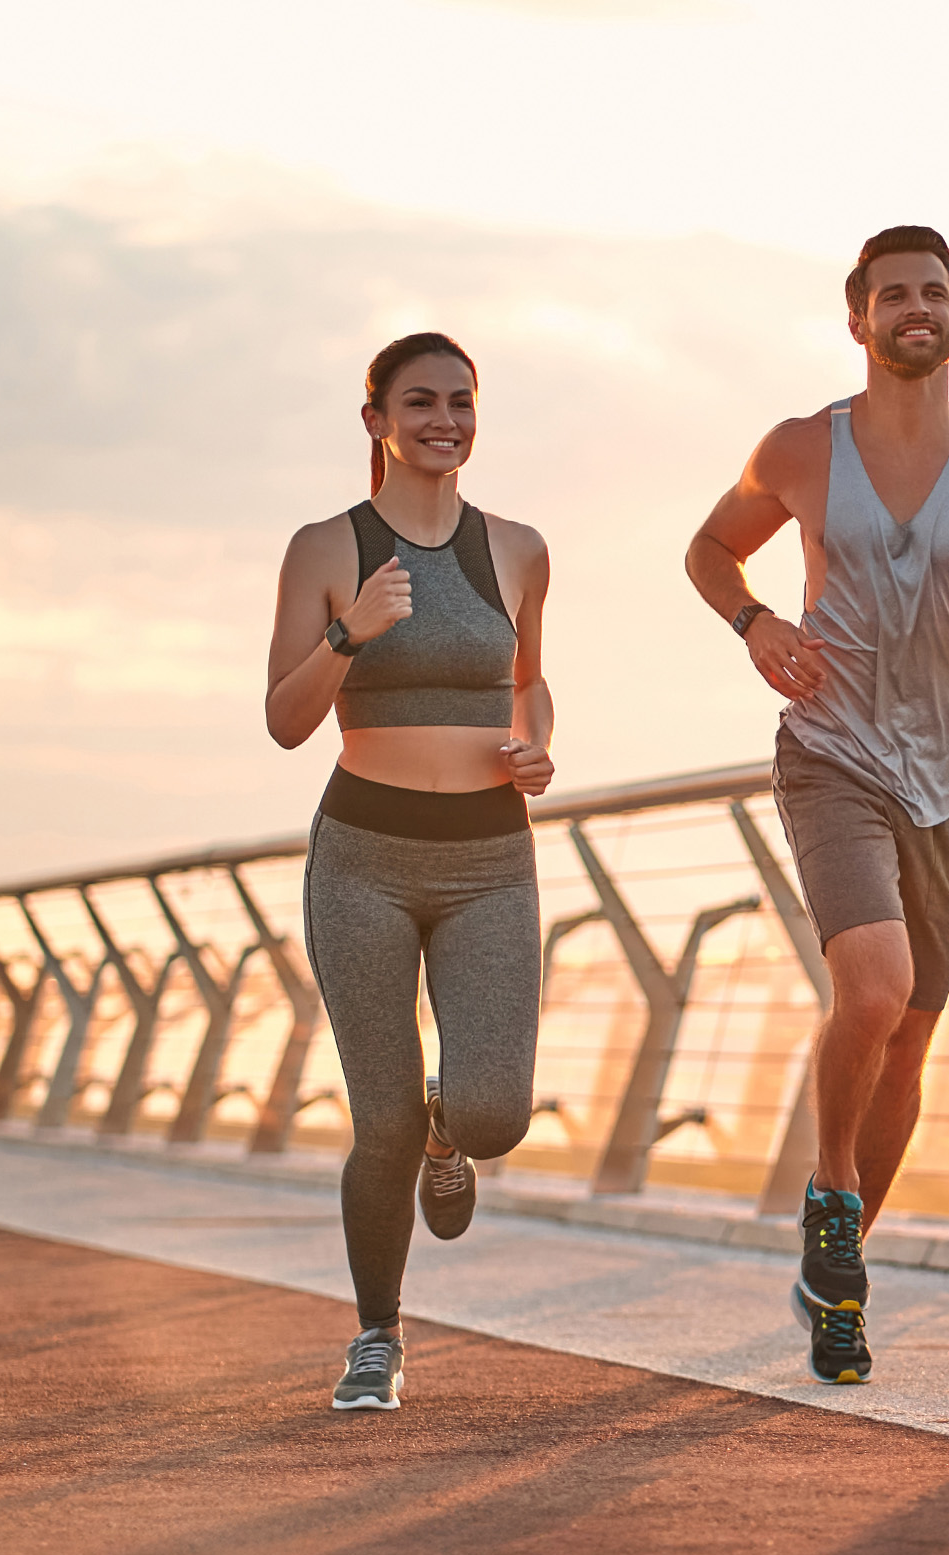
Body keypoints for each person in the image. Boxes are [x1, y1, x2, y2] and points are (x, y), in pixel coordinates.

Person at [686, 226, 949, 1383]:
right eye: (894, 294)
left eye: (935, 292)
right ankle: (831, 1191)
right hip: (833, 754)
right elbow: (711, 548)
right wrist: (756, 623)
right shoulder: (798, 448)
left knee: (911, 1033)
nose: (916, 307)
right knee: (873, 987)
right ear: (858, 318)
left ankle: (840, 1280)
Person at [265, 332, 554, 1410]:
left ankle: (451, 1126)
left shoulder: (518, 548)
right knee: (378, 1122)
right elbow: (284, 719)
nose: (445, 419)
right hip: (364, 860)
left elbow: (531, 681)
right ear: (376, 420)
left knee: (494, 1114)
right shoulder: (326, 546)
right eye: (421, 401)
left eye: (461, 401)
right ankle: (377, 1334)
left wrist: (536, 747)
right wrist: (349, 634)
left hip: (490, 860)